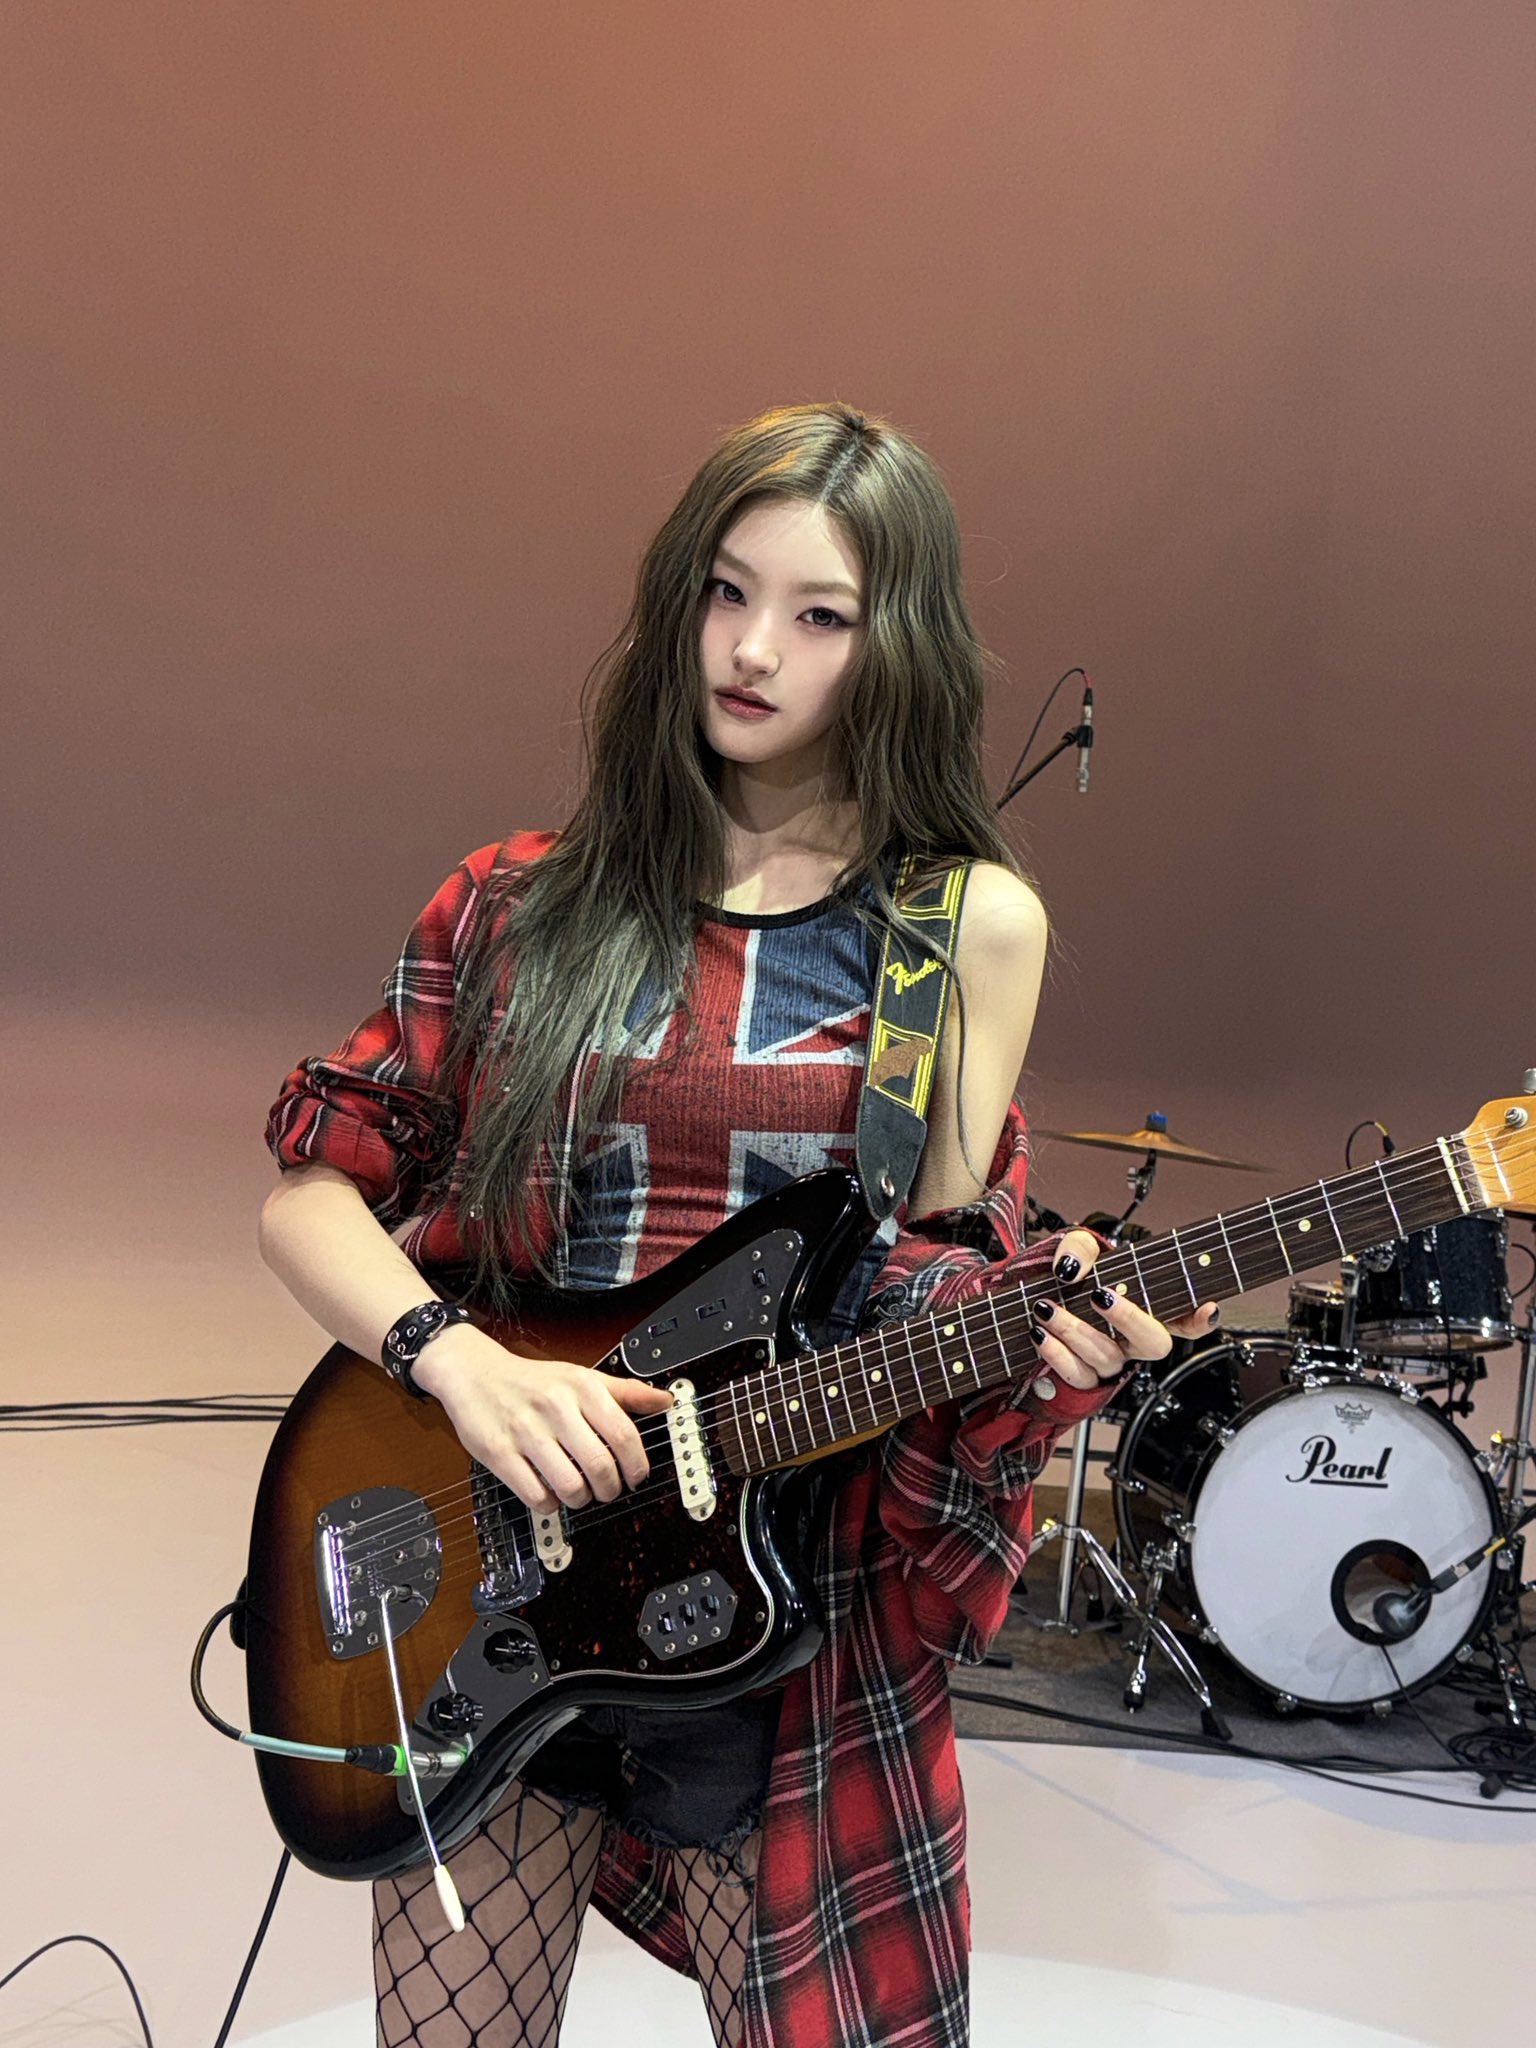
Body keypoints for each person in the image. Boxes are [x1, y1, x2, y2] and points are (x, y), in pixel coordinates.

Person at [258, 402, 1215, 2048]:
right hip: (499, 1576)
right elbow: (310, 1195)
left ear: (897, 646)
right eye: (725, 591)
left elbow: (922, 1280)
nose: (754, 649)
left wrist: (1046, 1333)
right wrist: (461, 1364)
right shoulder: (516, 902)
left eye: (821, 614)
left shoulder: (962, 930)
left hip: (782, 1603)